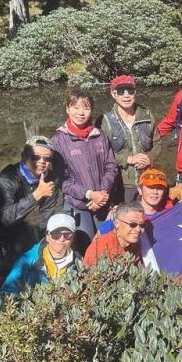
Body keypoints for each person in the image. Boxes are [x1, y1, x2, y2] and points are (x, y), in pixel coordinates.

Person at [0, 135, 62, 292]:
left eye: (47, 158)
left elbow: (47, 212)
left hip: (15, 226)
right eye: (35, 156)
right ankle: (0, 304)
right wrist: (37, 195)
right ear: (24, 156)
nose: (42, 161)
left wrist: (48, 239)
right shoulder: (7, 179)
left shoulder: (48, 180)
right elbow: (6, 218)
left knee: (26, 259)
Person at [51, 89, 118, 254]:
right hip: (78, 204)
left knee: (109, 245)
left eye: (86, 108)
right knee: (85, 249)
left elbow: (111, 166)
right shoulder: (58, 141)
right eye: (75, 107)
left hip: (102, 202)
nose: (81, 113)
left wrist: (103, 192)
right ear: (67, 108)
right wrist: (89, 194)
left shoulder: (99, 135)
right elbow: (63, 181)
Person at [99, 74, 161, 203]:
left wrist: (149, 158)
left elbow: (157, 143)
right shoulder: (105, 121)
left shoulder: (148, 115)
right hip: (121, 183)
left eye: (130, 91)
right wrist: (128, 159)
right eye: (121, 92)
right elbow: (101, 154)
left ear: (135, 93)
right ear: (113, 94)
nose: (126, 95)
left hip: (146, 178)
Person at [0, 213, 80, 295]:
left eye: (67, 234)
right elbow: (7, 292)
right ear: (47, 236)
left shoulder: (78, 261)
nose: (62, 239)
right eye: (56, 234)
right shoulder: (27, 260)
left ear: (73, 237)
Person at [83, 203, 146, 267]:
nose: (138, 229)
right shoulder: (101, 248)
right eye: (132, 224)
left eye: (142, 225)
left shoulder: (136, 244)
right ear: (116, 223)